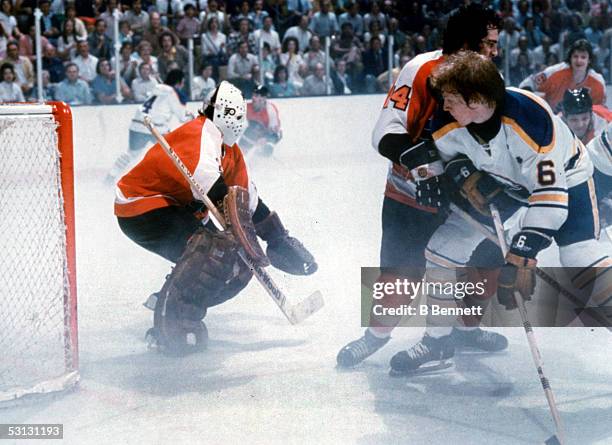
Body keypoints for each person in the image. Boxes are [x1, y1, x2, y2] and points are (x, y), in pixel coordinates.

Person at [337, 3, 505, 372]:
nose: (495, 51)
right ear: (466, 43)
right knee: (399, 278)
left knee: (484, 271)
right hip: (411, 196)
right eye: (489, 43)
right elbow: (385, 130)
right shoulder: (422, 69)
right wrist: (425, 168)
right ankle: (375, 336)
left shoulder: (490, 78)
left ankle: (459, 332)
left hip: (464, 202)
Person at [418, 52, 611, 365]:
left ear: (476, 100)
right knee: (443, 248)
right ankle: (437, 340)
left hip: (567, 177)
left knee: (580, 256)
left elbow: (550, 199)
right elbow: (441, 154)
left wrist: (521, 255)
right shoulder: (446, 120)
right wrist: (459, 173)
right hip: (503, 183)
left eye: (451, 99)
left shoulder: (530, 119)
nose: (444, 106)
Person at [113, 81, 316, 355]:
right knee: (211, 253)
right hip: (143, 206)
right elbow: (217, 191)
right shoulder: (199, 133)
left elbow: (245, 197)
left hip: (178, 208)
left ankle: (172, 299)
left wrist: (276, 236)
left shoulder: (230, 150)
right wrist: (247, 240)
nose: (240, 122)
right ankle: (169, 322)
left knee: (236, 267)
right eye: (237, 115)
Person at [106, 69, 191, 184]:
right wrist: (194, 116)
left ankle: (111, 176)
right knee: (172, 154)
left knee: (131, 154)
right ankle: (174, 182)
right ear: (179, 82)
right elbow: (183, 117)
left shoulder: (157, 88)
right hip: (155, 127)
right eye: (182, 82)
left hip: (137, 123)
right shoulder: (173, 92)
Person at [561, 88, 612, 226]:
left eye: (584, 118)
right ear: (564, 116)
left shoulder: (605, 120)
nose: (580, 124)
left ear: (591, 113)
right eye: (574, 120)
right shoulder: (555, 129)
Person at [519, 39, 606, 113]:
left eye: (583, 57)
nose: (579, 61)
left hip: (579, 127)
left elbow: (599, 113)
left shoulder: (598, 83)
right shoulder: (555, 72)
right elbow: (527, 84)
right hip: (551, 122)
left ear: (589, 60)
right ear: (570, 58)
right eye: (575, 56)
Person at [238, 85, 282, 156]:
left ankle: (260, 160)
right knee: (252, 129)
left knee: (267, 148)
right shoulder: (246, 107)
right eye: (253, 95)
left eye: (257, 96)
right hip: (255, 133)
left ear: (264, 99)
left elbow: (274, 131)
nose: (253, 98)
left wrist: (264, 138)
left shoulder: (270, 109)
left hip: (271, 134)